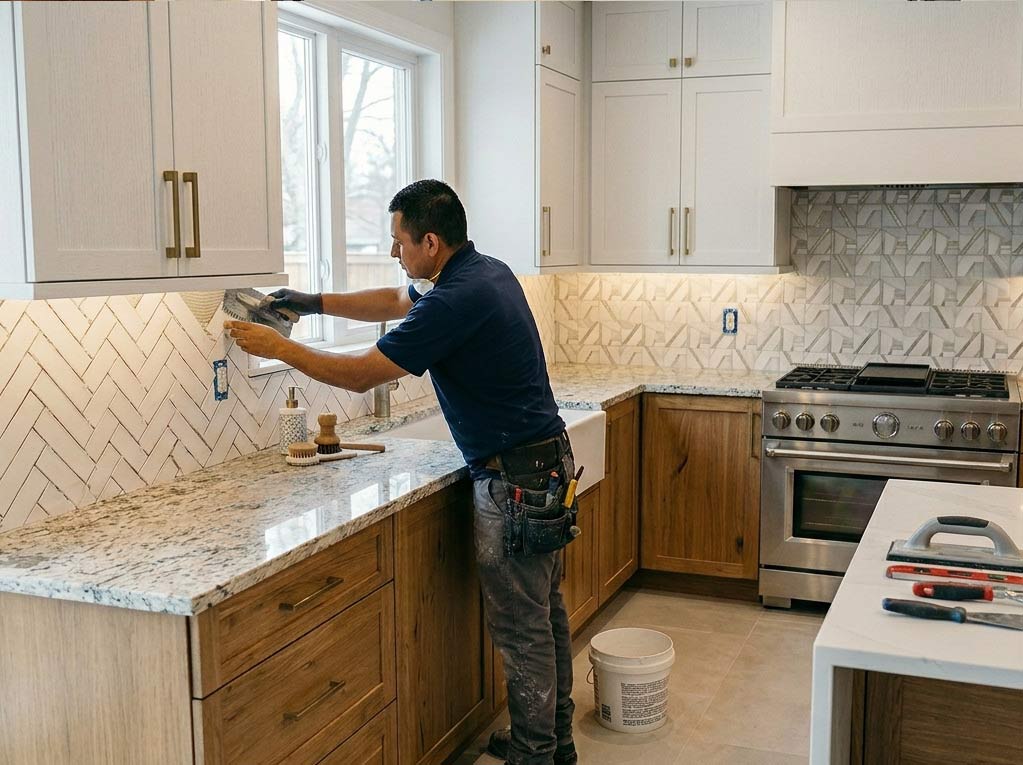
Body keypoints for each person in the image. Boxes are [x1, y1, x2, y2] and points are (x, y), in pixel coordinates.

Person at [225, 179, 579, 765]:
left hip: (515, 480)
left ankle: (538, 755)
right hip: (542, 466)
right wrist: (311, 303)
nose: (394, 252)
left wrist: (278, 347)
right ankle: (548, 742)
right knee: (544, 616)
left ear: (431, 243)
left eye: (398, 241)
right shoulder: (484, 273)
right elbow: (394, 302)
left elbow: (365, 375)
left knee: (524, 629)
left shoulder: (456, 300)